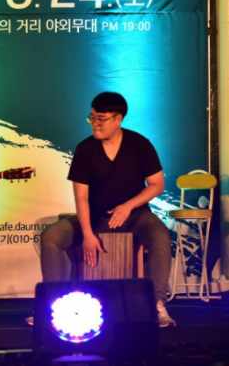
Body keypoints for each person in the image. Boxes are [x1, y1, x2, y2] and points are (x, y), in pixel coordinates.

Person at [39, 92, 176, 327]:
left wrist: (128, 206)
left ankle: (156, 305)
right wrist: (88, 234)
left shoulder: (139, 144)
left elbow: (157, 184)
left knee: (160, 236)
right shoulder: (85, 149)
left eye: (101, 119)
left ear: (118, 119)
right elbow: (81, 197)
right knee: (51, 237)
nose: (95, 124)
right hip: (94, 216)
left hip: (135, 216)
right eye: (92, 118)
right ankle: (54, 306)